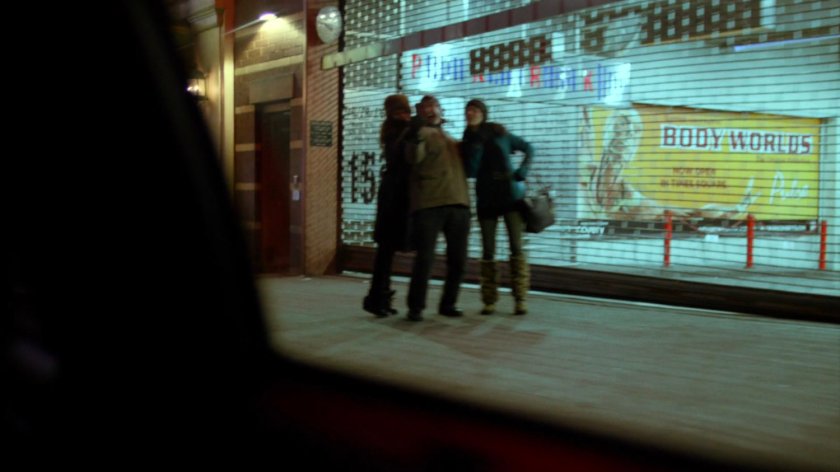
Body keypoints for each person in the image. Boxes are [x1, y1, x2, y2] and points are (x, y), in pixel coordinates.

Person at [462, 99, 534, 315]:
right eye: (468, 110)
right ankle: (489, 300)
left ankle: (520, 298)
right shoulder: (468, 138)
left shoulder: (498, 132)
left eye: (475, 109)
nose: (470, 113)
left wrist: (522, 171)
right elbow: (471, 170)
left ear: (483, 113)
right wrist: (474, 144)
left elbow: (528, 148)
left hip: (510, 196)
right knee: (488, 250)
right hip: (486, 198)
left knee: (516, 247)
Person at [404, 95, 471, 321]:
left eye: (434, 106)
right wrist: (415, 135)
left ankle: (448, 303)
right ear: (421, 111)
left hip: (459, 203)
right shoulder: (420, 134)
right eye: (426, 107)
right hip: (430, 204)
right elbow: (414, 158)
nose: (431, 110)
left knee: (458, 260)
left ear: (441, 110)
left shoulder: (452, 138)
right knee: (425, 259)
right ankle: (416, 307)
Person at [363, 94, 414, 317]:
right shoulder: (398, 130)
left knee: (386, 253)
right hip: (395, 199)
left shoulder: (392, 129)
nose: (407, 113)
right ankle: (377, 298)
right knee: (385, 252)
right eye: (404, 109)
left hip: (392, 197)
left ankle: (380, 297)